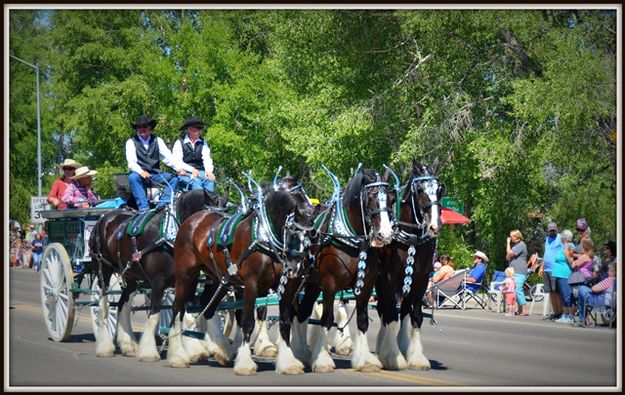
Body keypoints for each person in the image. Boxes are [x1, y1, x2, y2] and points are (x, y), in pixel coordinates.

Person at [125, 114, 180, 212]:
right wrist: (141, 172)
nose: (142, 129)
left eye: (145, 126)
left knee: (174, 179)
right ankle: (144, 208)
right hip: (139, 174)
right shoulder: (131, 142)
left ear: (150, 127)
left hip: (155, 173)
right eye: (139, 127)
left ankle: (162, 205)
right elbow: (131, 162)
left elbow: (168, 158)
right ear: (137, 129)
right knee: (132, 177)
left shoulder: (157, 140)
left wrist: (179, 169)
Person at [172, 116, 216, 192]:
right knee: (196, 183)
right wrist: (191, 169)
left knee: (210, 180)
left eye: (200, 128)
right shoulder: (179, 142)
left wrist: (209, 171)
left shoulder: (203, 142)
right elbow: (177, 162)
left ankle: (210, 203)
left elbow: (207, 158)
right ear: (189, 129)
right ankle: (199, 202)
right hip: (184, 173)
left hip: (200, 172)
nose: (199, 131)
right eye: (197, 128)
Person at [574, 263, 616, 327]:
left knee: (581, 289)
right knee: (584, 292)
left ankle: (582, 320)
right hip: (613, 302)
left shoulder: (610, 280)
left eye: (609, 270)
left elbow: (594, 289)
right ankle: (582, 319)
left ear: (614, 272)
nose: (607, 272)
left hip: (601, 301)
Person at [538, 221, 564, 320]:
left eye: (554, 230)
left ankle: (560, 312)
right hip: (547, 269)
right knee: (550, 293)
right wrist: (541, 266)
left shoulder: (560, 238)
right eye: (550, 230)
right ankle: (555, 312)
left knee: (556, 292)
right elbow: (546, 253)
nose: (552, 232)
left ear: (557, 229)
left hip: (555, 269)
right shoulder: (547, 239)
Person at [551, 230, 576, 324]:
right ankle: (565, 314)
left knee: (567, 295)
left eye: (561, 236)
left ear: (564, 238)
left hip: (565, 275)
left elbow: (571, 262)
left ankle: (570, 316)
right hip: (560, 275)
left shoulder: (569, 247)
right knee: (563, 295)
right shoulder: (565, 247)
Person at [506, 229, 529, 316]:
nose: (510, 238)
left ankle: (524, 309)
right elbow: (507, 256)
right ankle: (520, 309)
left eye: (512, 236)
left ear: (517, 237)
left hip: (519, 270)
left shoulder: (521, 245)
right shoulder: (516, 245)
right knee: (515, 289)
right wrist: (509, 253)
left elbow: (509, 253)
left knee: (518, 289)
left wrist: (508, 243)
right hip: (514, 271)